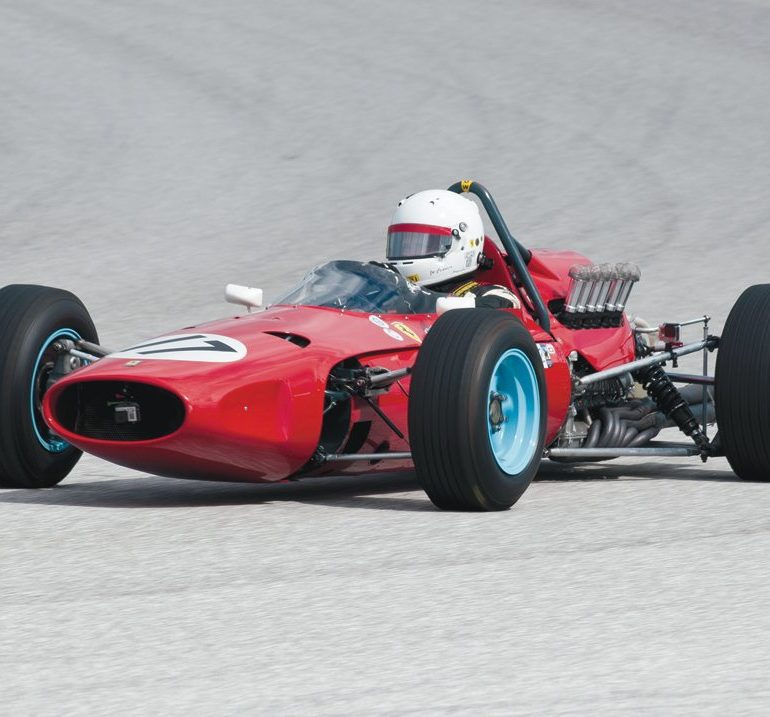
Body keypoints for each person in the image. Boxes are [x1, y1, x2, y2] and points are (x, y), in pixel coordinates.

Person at [385, 189, 521, 309]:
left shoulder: (484, 294)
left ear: (461, 243)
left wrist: (456, 306)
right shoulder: (397, 289)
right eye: (403, 245)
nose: (407, 251)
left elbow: (509, 304)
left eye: (420, 245)